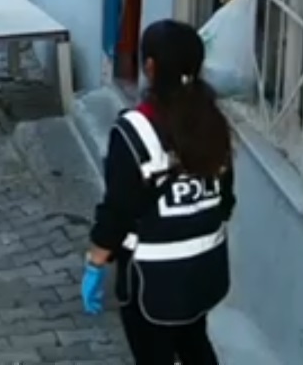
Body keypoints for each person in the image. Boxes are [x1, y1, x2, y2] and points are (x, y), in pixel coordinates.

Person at [83, 19, 235, 364]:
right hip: (204, 271)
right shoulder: (214, 122)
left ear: (150, 67)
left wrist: (96, 261)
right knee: (195, 341)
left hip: (151, 280)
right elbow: (226, 201)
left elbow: (117, 211)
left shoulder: (132, 131)